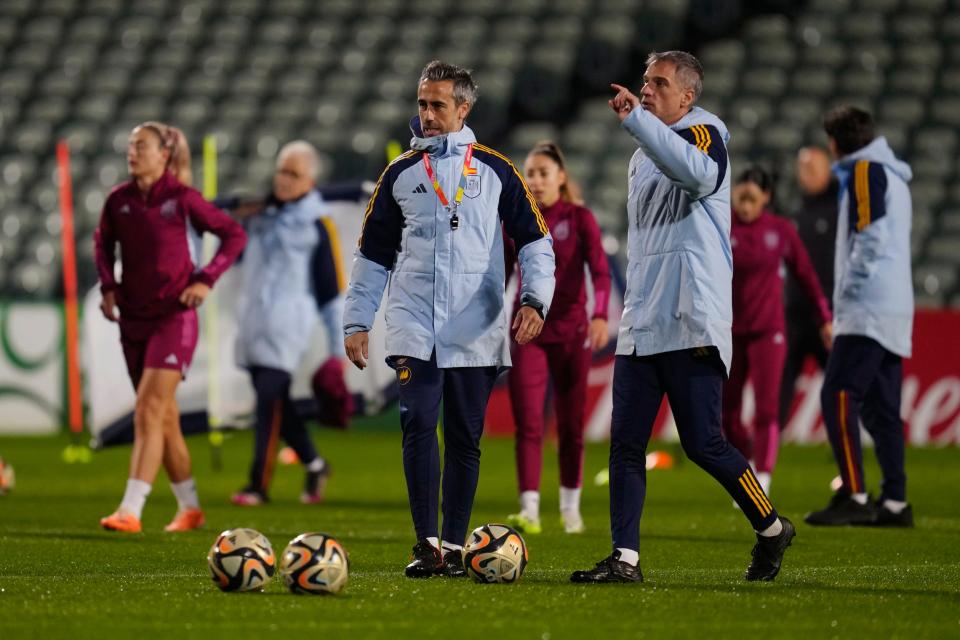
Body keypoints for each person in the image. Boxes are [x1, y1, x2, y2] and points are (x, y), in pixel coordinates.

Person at [570, 51, 795, 585]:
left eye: (659, 83)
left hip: (693, 315)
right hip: (644, 321)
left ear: (687, 97)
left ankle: (771, 527)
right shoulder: (640, 155)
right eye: (646, 81)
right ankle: (625, 559)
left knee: (704, 444)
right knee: (625, 445)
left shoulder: (705, 132)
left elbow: (697, 175)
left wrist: (639, 123)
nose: (647, 89)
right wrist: (643, 128)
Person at [343, 60, 555, 578]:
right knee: (418, 422)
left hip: (476, 327)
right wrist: (358, 320)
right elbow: (372, 255)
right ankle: (427, 544)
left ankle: (456, 546)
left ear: (464, 108)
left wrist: (534, 300)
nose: (428, 114)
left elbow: (536, 242)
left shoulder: (497, 169)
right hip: (415, 323)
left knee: (464, 437)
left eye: (438, 105)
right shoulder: (399, 173)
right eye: (422, 103)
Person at [94, 121, 246, 533]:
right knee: (163, 419)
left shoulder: (182, 199)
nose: (133, 152)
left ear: (164, 156)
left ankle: (131, 509)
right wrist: (107, 286)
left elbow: (233, 234)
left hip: (174, 318)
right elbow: (102, 243)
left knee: (148, 408)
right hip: (133, 320)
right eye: (130, 145)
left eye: (141, 146)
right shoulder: (118, 201)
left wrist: (206, 278)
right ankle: (190, 507)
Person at [805, 106, 915, 527]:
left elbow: (869, 236)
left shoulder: (867, 171)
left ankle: (853, 492)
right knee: (882, 408)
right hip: (893, 306)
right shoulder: (893, 175)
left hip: (868, 307)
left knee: (837, 394)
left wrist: (848, 294)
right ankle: (895, 502)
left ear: (835, 143)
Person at [504, 141, 611, 535]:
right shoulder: (514, 219)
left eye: (542, 173)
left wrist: (600, 315)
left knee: (570, 426)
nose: (534, 180)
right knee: (529, 422)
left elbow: (600, 272)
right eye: (529, 173)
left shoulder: (579, 218)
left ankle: (570, 508)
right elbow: (497, 273)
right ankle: (529, 509)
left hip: (572, 333)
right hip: (528, 332)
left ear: (561, 178)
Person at [228, 140, 342, 506]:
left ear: (310, 182)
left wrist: (338, 350)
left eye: (294, 173)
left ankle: (257, 485)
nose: (285, 179)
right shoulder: (259, 215)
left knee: (267, 400)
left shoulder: (317, 224)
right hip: (254, 321)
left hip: (288, 326)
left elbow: (330, 290)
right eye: (282, 170)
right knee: (278, 403)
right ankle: (316, 463)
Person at [723, 166, 832, 497]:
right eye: (740, 198)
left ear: (766, 198)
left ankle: (763, 478)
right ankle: (745, 471)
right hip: (729, 330)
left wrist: (824, 317)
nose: (744, 206)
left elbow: (807, 276)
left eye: (751, 199)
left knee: (767, 408)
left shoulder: (781, 230)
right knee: (727, 414)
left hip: (769, 332)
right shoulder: (721, 224)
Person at [779, 147, 839, 428]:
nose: (808, 174)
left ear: (828, 170)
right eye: (804, 168)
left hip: (828, 312)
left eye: (814, 168)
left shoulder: (841, 210)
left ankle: (845, 439)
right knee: (782, 380)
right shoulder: (793, 209)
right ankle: (770, 444)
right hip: (794, 311)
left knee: (839, 380)